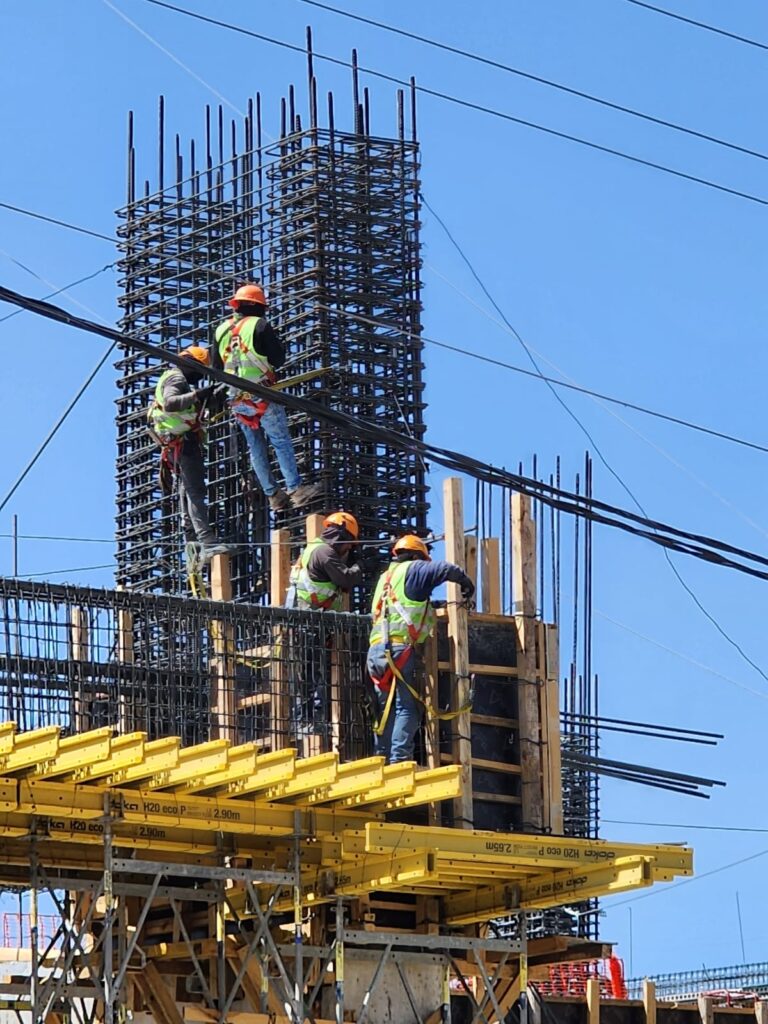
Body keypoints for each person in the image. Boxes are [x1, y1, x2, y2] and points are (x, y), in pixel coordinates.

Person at [213, 283, 322, 512]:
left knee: (256, 448)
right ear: (255, 305)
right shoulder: (259, 325)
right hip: (261, 394)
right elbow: (278, 359)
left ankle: (273, 495)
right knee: (280, 441)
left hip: (236, 401)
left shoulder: (221, 330)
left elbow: (215, 367)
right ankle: (295, 489)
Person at [367, 534, 475, 764]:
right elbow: (446, 569)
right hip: (399, 650)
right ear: (417, 556)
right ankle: (398, 760)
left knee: (385, 711)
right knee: (407, 707)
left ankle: (380, 760)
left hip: (376, 653)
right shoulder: (414, 569)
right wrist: (466, 583)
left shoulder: (385, 578)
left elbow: (406, 605)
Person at [148, 346, 232, 560]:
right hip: (183, 443)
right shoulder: (176, 379)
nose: (200, 376)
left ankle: (193, 548)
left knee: (187, 494)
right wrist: (196, 395)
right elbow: (170, 403)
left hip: (178, 443)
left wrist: (212, 396)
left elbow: (193, 407)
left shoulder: (173, 377)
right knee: (195, 493)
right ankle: (208, 543)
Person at [287, 512, 363, 611]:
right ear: (341, 538)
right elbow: (345, 579)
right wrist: (361, 566)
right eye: (349, 543)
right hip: (316, 614)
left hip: (312, 610)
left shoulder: (314, 545)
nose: (349, 547)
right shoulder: (325, 552)